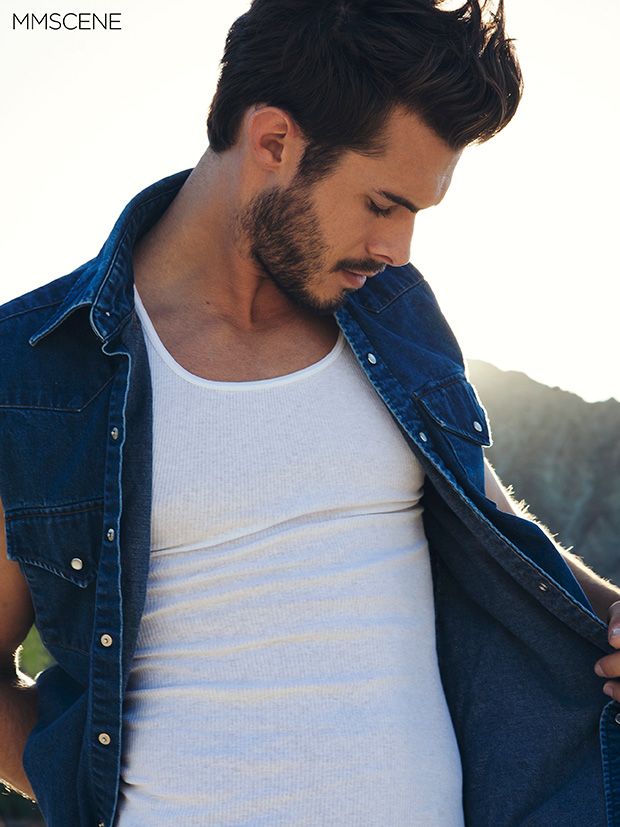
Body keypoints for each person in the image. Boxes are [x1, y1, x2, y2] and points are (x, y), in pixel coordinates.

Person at [2, 0, 620, 824]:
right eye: (383, 204)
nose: (397, 249)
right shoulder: (34, 367)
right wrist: (84, 790)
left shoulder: (395, 315)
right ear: (272, 141)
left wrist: (611, 614)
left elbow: (494, 531)